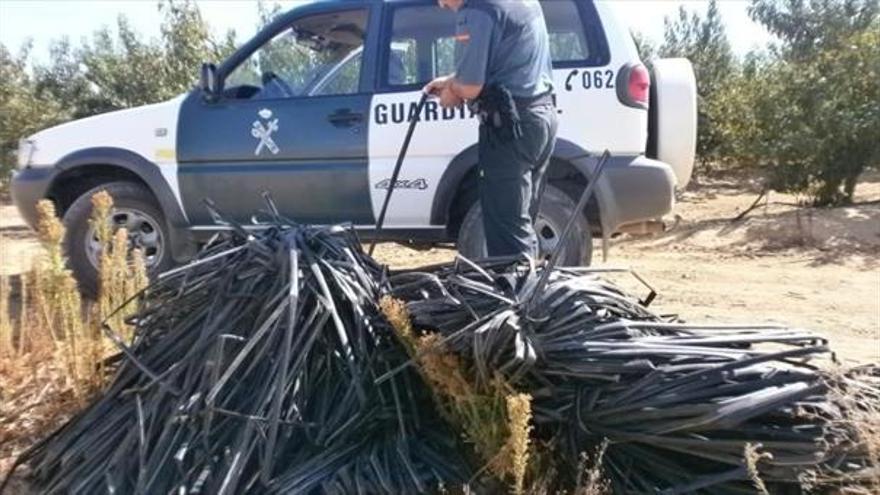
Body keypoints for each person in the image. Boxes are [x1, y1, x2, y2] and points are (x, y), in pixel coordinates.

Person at [424, 0, 557, 259]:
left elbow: (471, 87)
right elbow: (502, 61)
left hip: (509, 128)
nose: (441, 5)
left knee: (506, 233)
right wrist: (453, 80)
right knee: (521, 223)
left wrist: (453, 91)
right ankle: (530, 291)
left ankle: (515, 294)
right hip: (541, 118)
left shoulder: (475, 9)